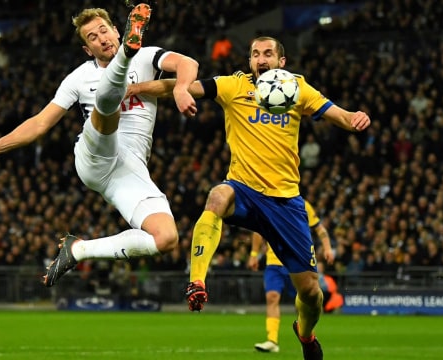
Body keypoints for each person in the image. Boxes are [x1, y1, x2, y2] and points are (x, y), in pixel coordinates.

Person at [129, 36, 370, 360]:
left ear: (281, 62)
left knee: (311, 293)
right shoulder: (233, 86)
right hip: (243, 189)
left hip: (285, 202)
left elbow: (340, 115)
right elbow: (178, 83)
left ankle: (305, 333)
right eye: (255, 54)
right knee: (217, 197)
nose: (261, 59)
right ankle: (197, 281)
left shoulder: (297, 88)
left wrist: (356, 118)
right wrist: (136, 89)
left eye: (268, 53)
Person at [0, 4, 198, 287]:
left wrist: (178, 87)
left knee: (165, 238)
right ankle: (122, 60)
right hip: (95, 155)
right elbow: (41, 123)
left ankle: (79, 250)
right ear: (88, 50)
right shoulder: (78, 78)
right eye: (92, 37)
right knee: (107, 104)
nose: (101, 38)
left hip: (129, 169)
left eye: (104, 30)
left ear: (116, 31)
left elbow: (188, 64)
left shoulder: (148, 56)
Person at [248, 200, 335, 353]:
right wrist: (254, 254)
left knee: (304, 300)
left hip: (296, 261)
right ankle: (272, 340)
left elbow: (320, 229)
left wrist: (327, 248)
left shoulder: (302, 204)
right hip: (274, 262)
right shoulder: (267, 201)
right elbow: (258, 230)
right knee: (272, 297)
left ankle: (305, 337)